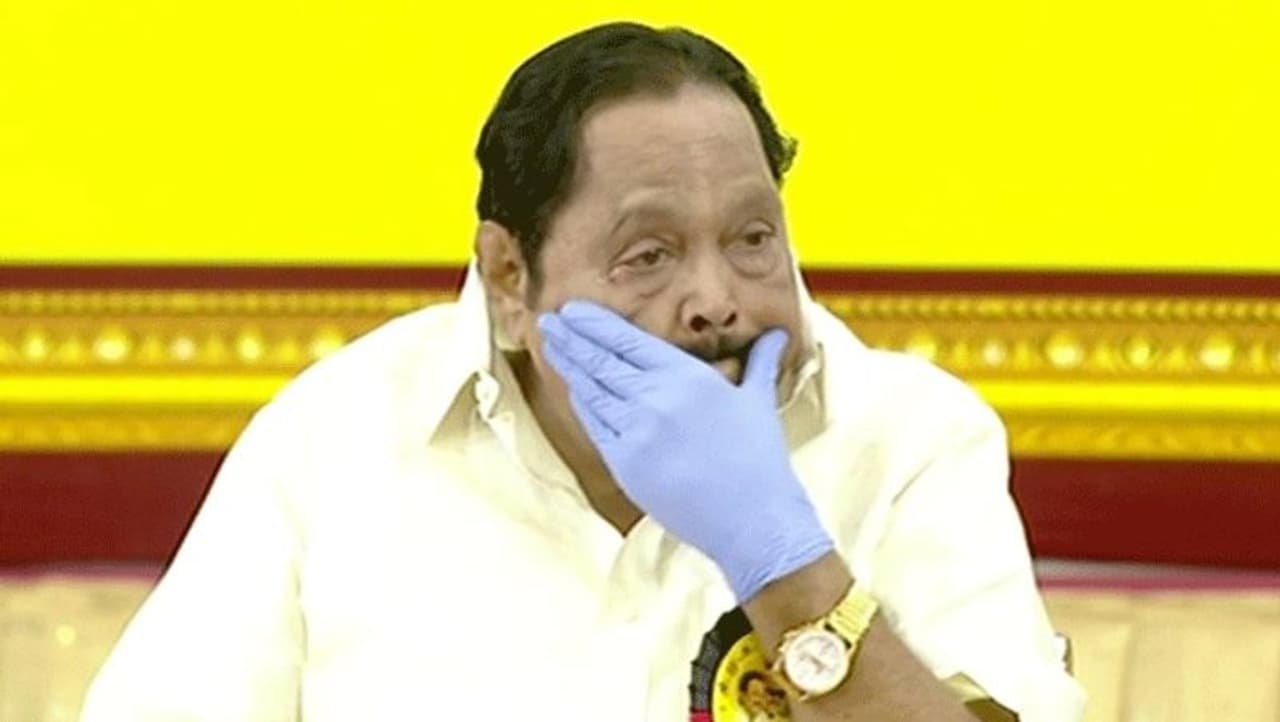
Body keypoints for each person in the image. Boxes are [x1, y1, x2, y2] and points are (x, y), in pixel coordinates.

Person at [82, 22, 1084, 722]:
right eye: (648, 254)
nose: (714, 301)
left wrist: (781, 562)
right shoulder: (336, 435)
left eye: (751, 238)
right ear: (509, 278)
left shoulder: (911, 439)